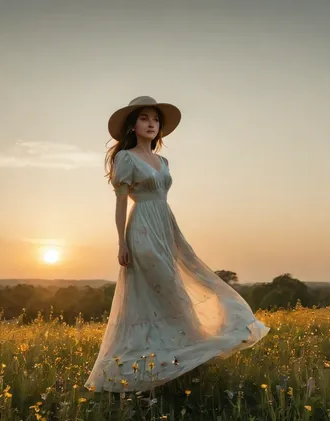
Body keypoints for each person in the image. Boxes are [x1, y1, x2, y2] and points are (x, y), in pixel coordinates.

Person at [84, 96, 270, 393]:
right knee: (166, 291)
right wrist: (121, 243)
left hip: (166, 225)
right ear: (133, 126)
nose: (151, 124)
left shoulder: (163, 161)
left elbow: (161, 196)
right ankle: (145, 370)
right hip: (142, 227)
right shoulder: (126, 158)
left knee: (183, 285)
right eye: (144, 118)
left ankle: (178, 366)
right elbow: (120, 203)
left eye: (155, 120)